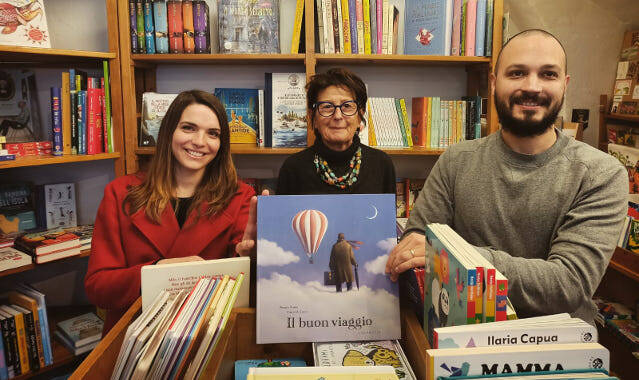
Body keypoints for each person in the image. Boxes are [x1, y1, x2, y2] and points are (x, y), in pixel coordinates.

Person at [385, 29, 628, 325]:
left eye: (548, 74)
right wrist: (418, 248)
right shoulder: (455, 160)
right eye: (517, 73)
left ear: (565, 85)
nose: (532, 86)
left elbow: (568, 285)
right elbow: (419, 238)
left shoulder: (601, 174)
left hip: (554, 346)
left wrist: (452, 256)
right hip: (462, 336)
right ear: (493, 82)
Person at [85, 90, 263, 333]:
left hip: (205, 335)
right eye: (189, 128)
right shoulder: (120, 193)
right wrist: (158, 271)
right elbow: (99, 289)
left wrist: (250, 260)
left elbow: (243, 278)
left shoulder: (240, 197)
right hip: (136, 335)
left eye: (213, 133)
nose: (200, 141)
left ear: (221, 145)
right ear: (169, 131)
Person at [277, 68, 396, 195]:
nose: (338, 116)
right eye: (327, 107)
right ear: (313, 117)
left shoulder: (382, 164)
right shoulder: (293, 168)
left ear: (360, 115)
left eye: (347, 106)